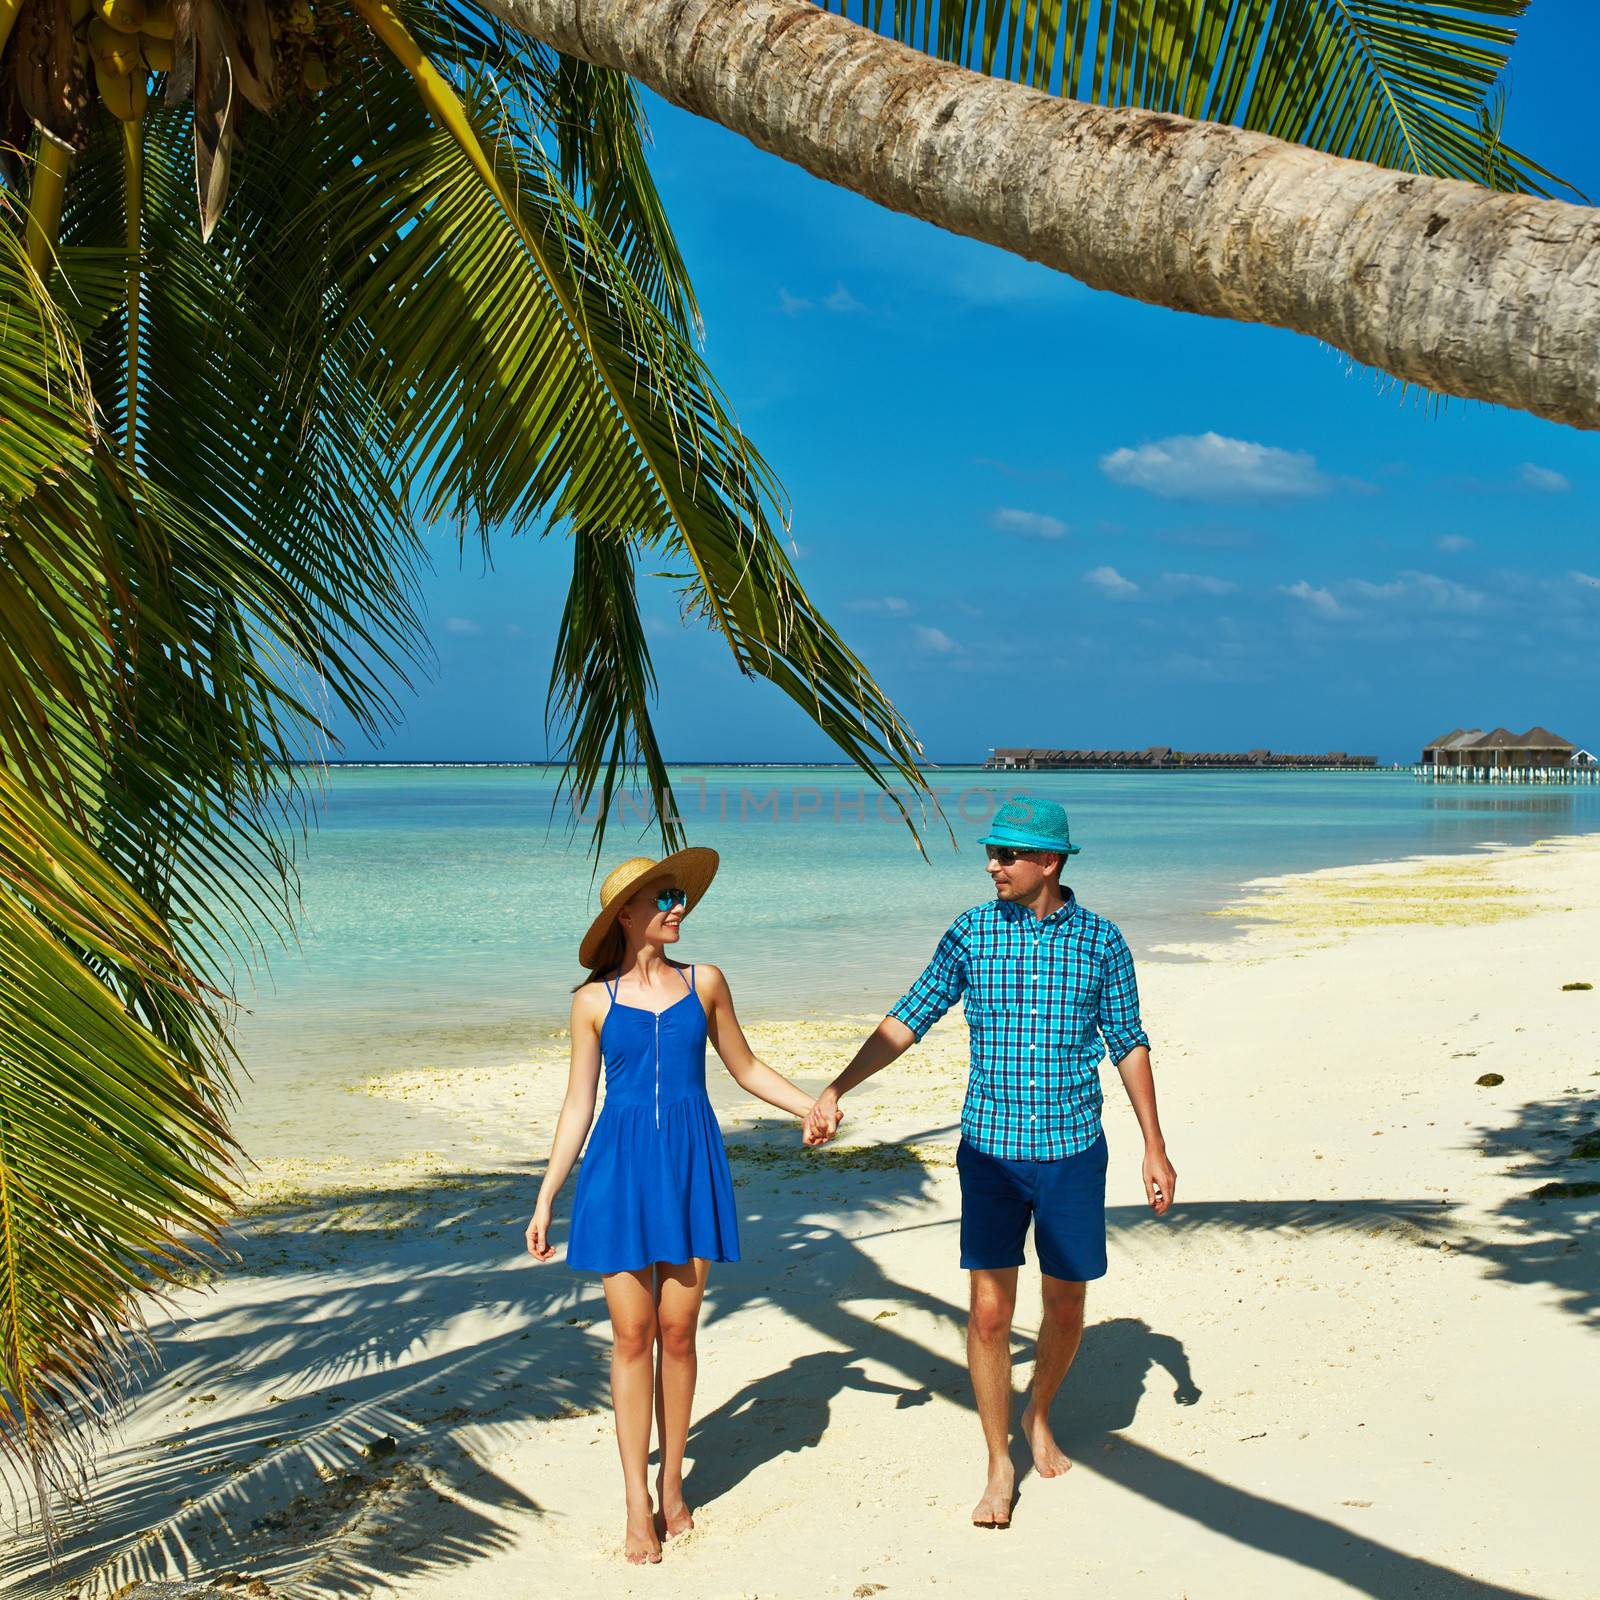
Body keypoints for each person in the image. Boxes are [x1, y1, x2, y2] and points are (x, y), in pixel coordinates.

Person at [804, 795, 1176, 1528]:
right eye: (992, 852)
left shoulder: (1102, 941)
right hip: (991, 1152)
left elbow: (1128, 1042)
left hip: (1073, 1151)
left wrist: (1154, 1146)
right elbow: (908, 1016)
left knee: (1066, 1302)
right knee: (986, 1312)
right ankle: (998, 1461)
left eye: (1007, 855)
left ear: (1049, 862)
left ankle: (1038, 1412)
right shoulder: (972, 933)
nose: (992, 865)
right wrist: (837, 1085)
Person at [526, 848, 823, 1565]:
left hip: (691, 1167)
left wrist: (808, 1104)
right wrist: (545, 1196)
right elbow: (577, 1106)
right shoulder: (591, 1001)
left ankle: (671, 1480)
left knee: (680, 1333)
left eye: (679, 895)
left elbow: (744, 1067)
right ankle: (635, 1499)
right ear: (625, 915)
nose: (676, 906)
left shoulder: (707, 982)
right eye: (662, 898)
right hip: (618, 1175)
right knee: (632, 1339)